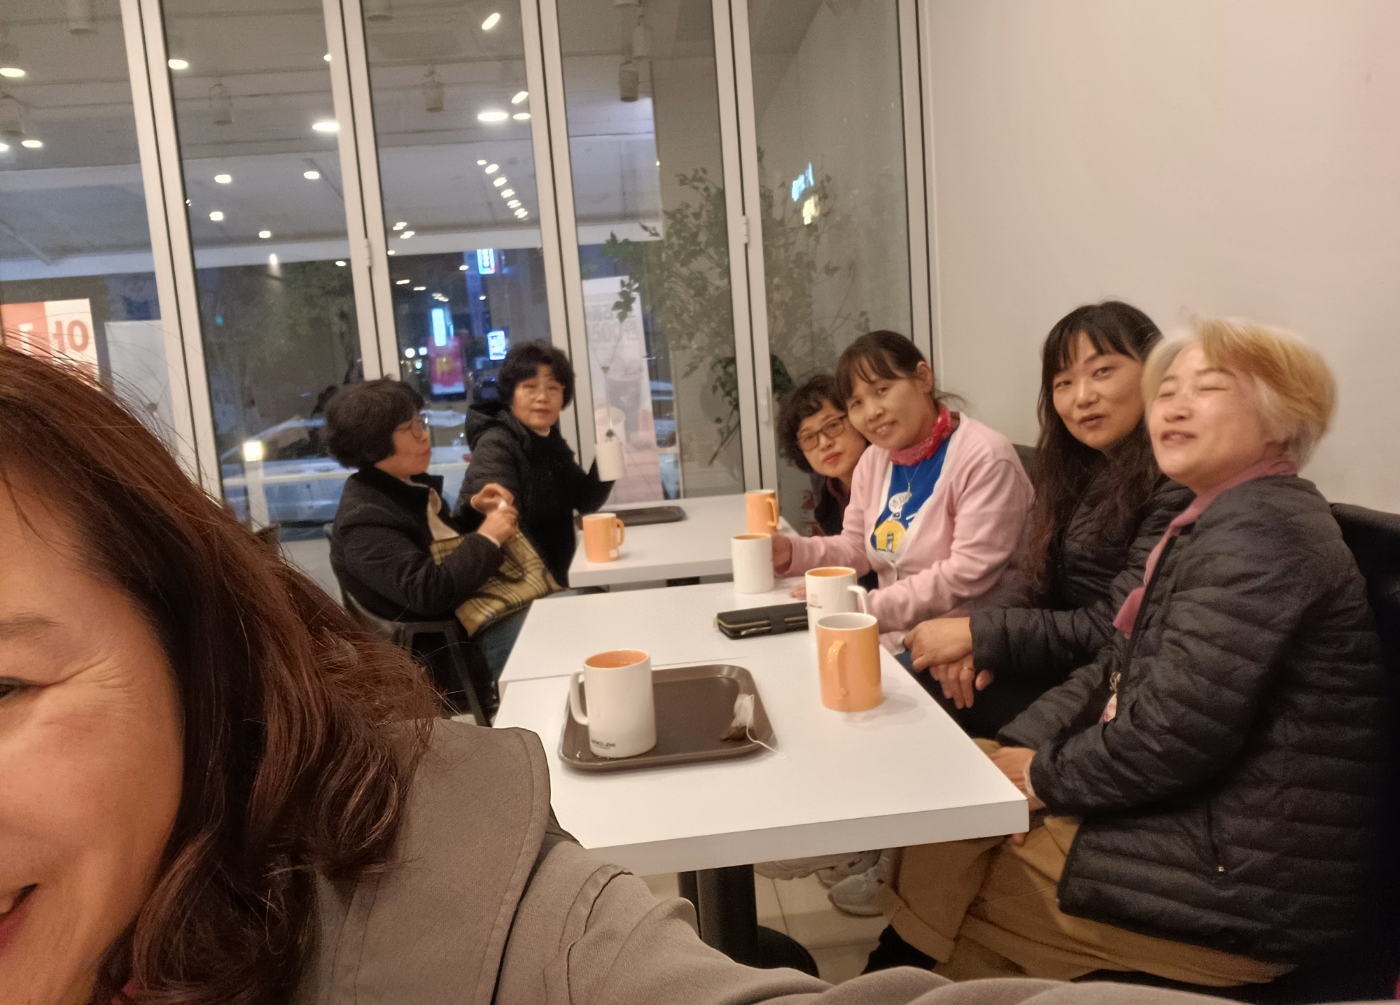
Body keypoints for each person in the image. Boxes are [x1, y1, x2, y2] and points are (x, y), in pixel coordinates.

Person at [0, 348, 1315, 1005]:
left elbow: (1011, 605)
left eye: (5, 688)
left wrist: (976, 678)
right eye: (840, 413)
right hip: (507, 636)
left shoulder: (447, 917)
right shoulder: (441, 488)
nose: (854, 427)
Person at [876, 318, 1387, 987]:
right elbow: (1112, 665)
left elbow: (1173, 734)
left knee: (957, 859)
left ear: (1282, 413)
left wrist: (1042, 778)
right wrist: (1021, 756)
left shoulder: (1261, 534)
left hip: (1243, 882)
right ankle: (912, 971)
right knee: (961, 789)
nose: (1172, 405)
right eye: (1166, 390)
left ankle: (901, 971)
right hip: (1201, 824)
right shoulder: (1214, 519)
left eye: (1206, 388)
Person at [905, 302, 1193, 739]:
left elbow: (1119, 625)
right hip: (1064, 658)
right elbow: (1036, 581)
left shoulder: (1177, 480)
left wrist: (980, 634)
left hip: (1115, 683)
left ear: (1157, 371)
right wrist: (975, 644)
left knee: (914, 693)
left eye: (1102, 371)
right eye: (1063, 382)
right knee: (917, 679)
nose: (1082, 397)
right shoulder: (1080, 469)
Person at [772, 331, 1034, 656]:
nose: (872, 412)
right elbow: (856, 547)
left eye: (881, 390)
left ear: (923, 377)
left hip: (966, 646)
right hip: (893, 639)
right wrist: (791, 552)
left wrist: (863, 609)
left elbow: (966, 573)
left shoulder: (984, 456)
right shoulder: (875, 459)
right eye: (856, 404)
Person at [323, 379, 526, 680]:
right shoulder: (364, 520)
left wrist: (476, 512)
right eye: (410, 428)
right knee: (558, 623)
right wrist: (488, 537)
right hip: (448, 650)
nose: (423, 436)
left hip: (478, 616)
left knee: (566, 610)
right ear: (373, 441)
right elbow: (430, 592)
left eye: (421, 422)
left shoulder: (404, 487)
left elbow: (448, 549)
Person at [461, 340, 612, 587]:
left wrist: (609, 449)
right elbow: (511, 531)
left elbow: (585, 500)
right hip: (518, 587)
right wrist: (556, 587)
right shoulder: (497, 443)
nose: (542, 397)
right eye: (529, 387)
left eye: (553, 388)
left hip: (554, 579)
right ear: (510, 395)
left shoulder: (547, 438)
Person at [777, 374, 877, 588]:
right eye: (809, 438)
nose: (824, 444)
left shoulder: (892, 477)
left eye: (832, 426)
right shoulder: (826, 487)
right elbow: (851, 554)